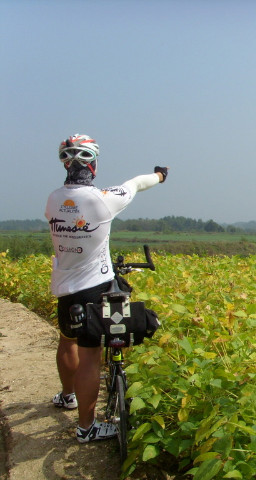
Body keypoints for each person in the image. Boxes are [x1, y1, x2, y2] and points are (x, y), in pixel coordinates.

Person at [45, 133, 168, 443]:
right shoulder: (103, 198)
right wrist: (160, 175)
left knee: (66, 340)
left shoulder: (53, 200)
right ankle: (86, 428)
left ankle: (67, 395)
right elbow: (138, 183)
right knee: (90, 358)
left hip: (64, 288)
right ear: (93, 164)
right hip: (95, 288)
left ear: (65, 163)